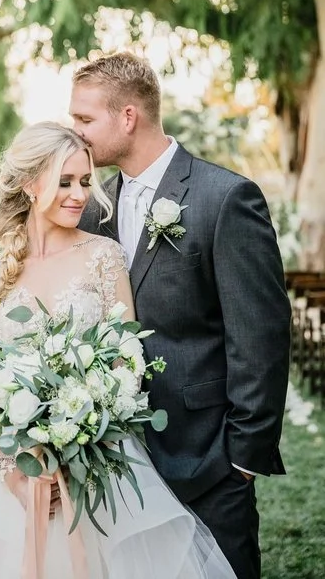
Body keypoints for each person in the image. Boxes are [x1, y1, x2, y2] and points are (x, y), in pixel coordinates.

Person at [0, 121, 236, 579]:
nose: (80, 194)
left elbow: (128, 358)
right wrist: (15, 476)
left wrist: (83, 433)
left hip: (97, 463)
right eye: (65, 181)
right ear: (29, 185)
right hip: (7, 474)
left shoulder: (104, 257)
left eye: (85, 181)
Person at [70, 52, 292, 579]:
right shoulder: (96, 207)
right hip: (120, 459)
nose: (74, 132)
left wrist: (242, 457)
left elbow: (260, 336)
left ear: (128, 117)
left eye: (84, 119)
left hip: (209, 459)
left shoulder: (226, 198)